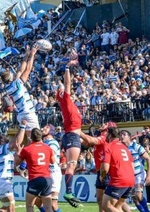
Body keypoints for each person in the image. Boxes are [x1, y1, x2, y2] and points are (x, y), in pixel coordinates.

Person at [56, 49, 83, 207]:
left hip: (72, 136)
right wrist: (67, 67)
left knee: (72, 164)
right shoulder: (65, 101)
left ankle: (70, 191)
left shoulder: (68, 103)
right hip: (72, 136)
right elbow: (67, 84)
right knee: (71, 164)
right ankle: (69, 192)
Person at [0, 45, 40, 137]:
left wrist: (26, 55)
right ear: (10, 77)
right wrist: (32, 54)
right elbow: (28, 69)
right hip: (28, 113)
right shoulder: (17, 83)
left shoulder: (8, 87)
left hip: (21, 115)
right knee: (37, 136)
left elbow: (20, 70)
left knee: (30, 138)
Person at [0, 120, 28, 212]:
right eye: (3, 136)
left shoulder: (5, 152)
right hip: (3, 181)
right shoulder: (2, 148)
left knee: (6, 208)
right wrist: (22, 126)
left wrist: (19, 153)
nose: (5, 136)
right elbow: (16, 142)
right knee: (11, 208)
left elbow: (15, 164)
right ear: (2, 140)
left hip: (2, 181)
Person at [15, 128, 55, 212]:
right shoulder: (48, 148)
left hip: (35, 179)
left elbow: (16, 162)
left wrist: (18, 152)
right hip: (47, 179)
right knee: (48, 207)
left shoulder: (27, 149)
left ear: (31, 137)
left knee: (29, 205)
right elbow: (53, 161)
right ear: (41, 136)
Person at [80, 122, 115, 212]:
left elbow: (92, 141)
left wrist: (78, 132)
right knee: (100, 199)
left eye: (105, 124)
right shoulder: (101, 135)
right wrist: (75, 136)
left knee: (109, 202)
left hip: (106, 171)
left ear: (109, 128)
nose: (102, 124)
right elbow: (87, 143)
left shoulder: (105, 135)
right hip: (100, 171)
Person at [101, 129, 135, 211]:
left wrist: (102, 177)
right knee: (118, 207)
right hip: (130, 180)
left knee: (106, 206)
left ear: (109, 135)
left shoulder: (109, 146)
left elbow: (105, 168)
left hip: (119, 180)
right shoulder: (125, 148)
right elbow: (132, 166)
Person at [122, 130, 150, 212]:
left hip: (139, 174)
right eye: (121, 135)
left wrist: (149, 175)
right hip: (129, 176)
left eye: (124, 134)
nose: (122, 136)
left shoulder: (136, 146)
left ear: (129, 137)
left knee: (138, 195)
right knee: (134, 198)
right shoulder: (121, 148)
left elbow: (148, 159)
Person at [35, 124, 62, 212]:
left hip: (53, 173)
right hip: (44, 174)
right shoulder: (43, 143)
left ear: (51, 131)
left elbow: (51, 159)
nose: (43, 128)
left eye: (46, 127)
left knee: (53, 204)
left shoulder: (53, 142)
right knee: (36, 200)